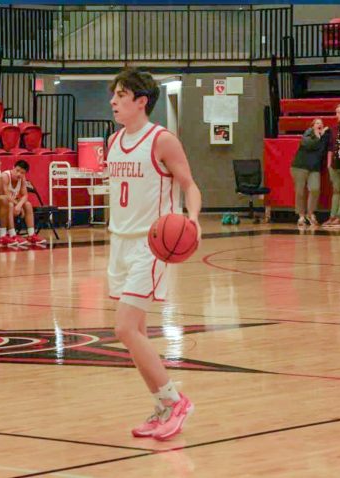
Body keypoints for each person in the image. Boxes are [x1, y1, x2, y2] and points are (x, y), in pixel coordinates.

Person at [106, 69, 202, 441]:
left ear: (141, 100)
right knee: (137, 333)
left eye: (121, 95)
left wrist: (191, 219)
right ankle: (162, 406)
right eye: (114, 95)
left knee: (124, 328)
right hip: (119, 242)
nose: (113, 101)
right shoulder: (113, 141)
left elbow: (189, 185)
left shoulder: (162, 140)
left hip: (151, 244)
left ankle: (176, 401)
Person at [290, 119, 330, 226]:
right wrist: (317, 136)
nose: (320, 124)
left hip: (314, 168)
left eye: (321, 123)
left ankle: (310, 213)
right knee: (300, 191)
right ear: (312, 126)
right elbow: (307, 143)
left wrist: (324, 134)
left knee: (315, 189)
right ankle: (301, 216)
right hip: (300, 166)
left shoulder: (324, 137)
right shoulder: (308, 134)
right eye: (317, 123)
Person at [1, 159, 47, 246]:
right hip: (1, 205)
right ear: (13, 168)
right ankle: (12, 234)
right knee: (10, 204)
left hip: (12, 203)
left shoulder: (22, 179)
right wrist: (17, 205)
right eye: (17, 171)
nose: (19, 174)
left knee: (28, 204)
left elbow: (25, 195)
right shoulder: (5, 176)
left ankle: (31, 234)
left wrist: (19, 205)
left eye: (22, 173)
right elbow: (6, 195)